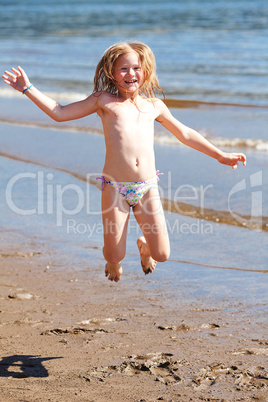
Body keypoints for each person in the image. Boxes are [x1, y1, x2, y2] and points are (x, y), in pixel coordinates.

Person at [2, 41, 246, 283]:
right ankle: (111, 261)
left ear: (145, 71)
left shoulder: (154, 106)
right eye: (124, 69)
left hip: (147, 187)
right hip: (115, 187)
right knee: (115, 254)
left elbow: (185, 133)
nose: (131, 74)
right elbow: (60, 113)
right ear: (112, 72)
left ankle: (145, 246)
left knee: (162, 254)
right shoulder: (103, 101)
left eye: (136, 68)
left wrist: (220, 155)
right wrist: (28, 88)